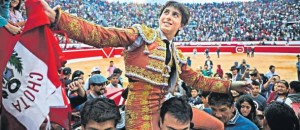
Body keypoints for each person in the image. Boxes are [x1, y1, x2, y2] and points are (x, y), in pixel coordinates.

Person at [45, 1, 250, 129]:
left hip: (166, 105)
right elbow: (103, 35)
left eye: (175, 15)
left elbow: (198, 80)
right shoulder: (143, 35)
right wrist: (59, 20)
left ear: (182, 25)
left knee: (215, 126)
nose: (168, 16)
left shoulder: (176, 54)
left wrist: (231, 85)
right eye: (166, 12)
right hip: (139, 109)